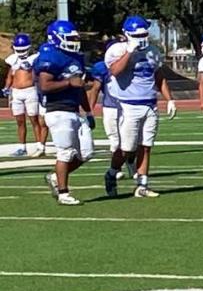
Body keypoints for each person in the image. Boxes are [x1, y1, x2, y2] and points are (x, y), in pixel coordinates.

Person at [103, 15, 177, 198]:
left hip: (150, 104)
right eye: (138, 35)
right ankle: (111, 173)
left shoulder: (153, 51)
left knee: (146, 146)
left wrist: (169, 99)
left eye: (144, 34)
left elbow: (159, 76)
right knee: (127, 148)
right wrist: (129, 52)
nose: (142, 38)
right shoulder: (117, 50)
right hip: (128, 105)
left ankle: (142, 184)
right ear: (127, 35)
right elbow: (114, 71)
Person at [37, 20, 95, 205]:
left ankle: (55, 176)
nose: (74, 41)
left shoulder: (76, 57)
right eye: (70, 38)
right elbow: (44, 85)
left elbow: (79, 88)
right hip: (57, 110)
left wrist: (88, 111)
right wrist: (68, 83)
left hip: (74, 110)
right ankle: (63, 193)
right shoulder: (50, 56)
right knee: (65, 153)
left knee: (86, 153)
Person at [88, 42, 134, 180]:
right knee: (115, 141)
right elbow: (95, 89)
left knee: (131, 141)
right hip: (110, 107)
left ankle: (131, 165)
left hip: (128, 106)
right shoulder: (102, 68)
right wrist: (90, 111)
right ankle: (117, 169)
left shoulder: (131, 63)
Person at [5, 33, 47, 157]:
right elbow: (10, 75)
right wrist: (6, 88)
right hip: (16, 92)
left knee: (34, 120)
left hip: (30, 91)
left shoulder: (34, 58)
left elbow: (38, 73)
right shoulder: (12, 59)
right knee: (20, 121)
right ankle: (22, 147)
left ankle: (40, 145)